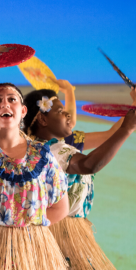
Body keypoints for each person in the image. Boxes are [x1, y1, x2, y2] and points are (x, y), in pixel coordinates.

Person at [0, 59, 69, 270]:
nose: (5, 104)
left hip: (32, 251)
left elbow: (61, 207)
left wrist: (28, 230)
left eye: (12, 99)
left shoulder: (42, 155)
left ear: (23, 111)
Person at [23, 87, 136, 270]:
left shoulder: (57, 146)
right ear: (43, 119)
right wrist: (126, 129)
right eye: (60, 111)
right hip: (58, 237)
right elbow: (88, 165)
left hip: (68, 234)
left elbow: (107, 138)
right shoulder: (50, 151)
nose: (67, 114)